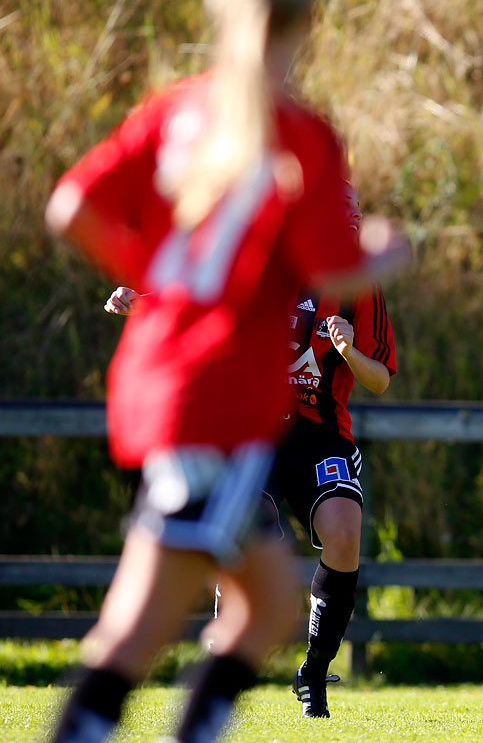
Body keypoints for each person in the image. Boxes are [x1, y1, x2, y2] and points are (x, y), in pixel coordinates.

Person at [44, 0, 408, 743]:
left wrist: (159, 278)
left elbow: (72, 208)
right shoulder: (298, 133)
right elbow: (332, 264)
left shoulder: (176, 112)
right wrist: (386, 251)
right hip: (217, 394)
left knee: (267, 602)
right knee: (144, 623)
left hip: (164, 385)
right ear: (305, 17)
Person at [102, 188, 397, 720]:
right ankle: (225, 657)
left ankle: (314, 672)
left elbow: (379, 381)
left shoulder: (360, 291)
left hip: (319, 434)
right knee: (253, 537)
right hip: (254, 428)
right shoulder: (262, 261)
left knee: (346, 534)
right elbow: (200, 308)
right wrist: (140, 302)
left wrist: (350, 350)